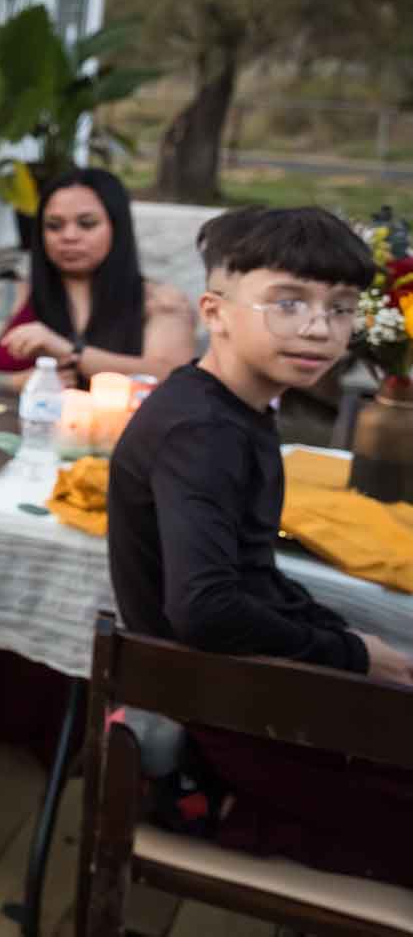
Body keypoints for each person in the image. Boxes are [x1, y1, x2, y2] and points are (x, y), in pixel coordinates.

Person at [108, 205, 413, 887]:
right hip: (218, 712)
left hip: (237, 693)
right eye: (288, 302)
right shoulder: (204, 434)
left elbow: (248, 572)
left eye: (339, 308)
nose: (318, 327)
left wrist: (334, 630)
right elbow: (207, 609)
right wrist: (356, 653)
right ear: (214, 311)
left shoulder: (234, 410)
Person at [0, 168, 195, 394]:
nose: (69, 236)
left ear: (117, 226)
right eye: (54, 226)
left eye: (87, 224)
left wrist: (70, 352)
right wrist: (20, 381)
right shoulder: (11, 296)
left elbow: (170, 378)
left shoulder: (161, 302)